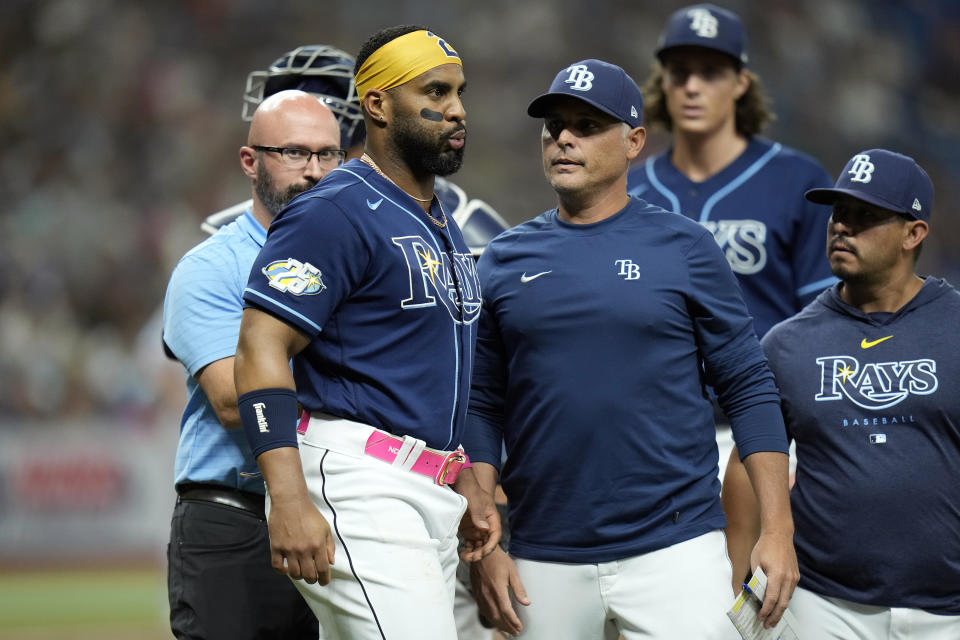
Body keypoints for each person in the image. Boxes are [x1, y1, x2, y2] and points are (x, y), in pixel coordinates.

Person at [463, 58, 797, 640]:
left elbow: (748, 387)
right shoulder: (502, 259)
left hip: (676, 548)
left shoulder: (685, 247)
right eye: (555, 126)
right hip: (543, 551)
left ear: (634, 142)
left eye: (587, 126)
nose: (564, 138)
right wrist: (486, 534)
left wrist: (777, 529)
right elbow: (481, 403)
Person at [233, 25, 500, 639]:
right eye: (435, 91)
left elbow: (427, 375)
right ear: (376, 105)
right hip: (359, 486)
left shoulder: (438, 221)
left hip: (423, 488)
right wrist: (291, 498)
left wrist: (458, 476)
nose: (456, 108)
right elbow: (260, 349)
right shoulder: (334, 208)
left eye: (459, 92)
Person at [724, 149, 960, 638]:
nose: (842, 227)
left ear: (913, 233)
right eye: (838, 213)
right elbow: (746, 463)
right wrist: (736, 576)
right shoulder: (787, 344)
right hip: (822, 604)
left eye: (865, 216)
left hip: (948, 608)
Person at [162, 89, 343, 639]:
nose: (314, 171)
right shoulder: (210, 268)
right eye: (294, 153)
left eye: (327, 155)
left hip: (343, 515)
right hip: (236, 520)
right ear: (251, 161)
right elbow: (235, 401)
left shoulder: (354, 258)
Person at [628, 3, 836, 340]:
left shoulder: (799, 181)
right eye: (679, 72)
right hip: (653, 390)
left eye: (710, 72)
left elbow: (827, 314)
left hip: (769, 389)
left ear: (741, 83)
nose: (692, 87)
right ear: (663, 80)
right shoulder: (628, 189)